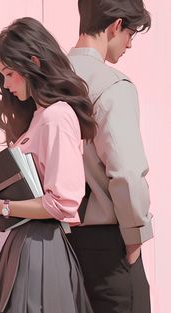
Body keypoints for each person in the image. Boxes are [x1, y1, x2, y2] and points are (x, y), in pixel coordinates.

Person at [0, 17, 97, 313]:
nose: (5, 84)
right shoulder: (39, 118)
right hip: (27, 245)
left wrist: (2, 206)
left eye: (10, 73)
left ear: (34, 62)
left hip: (41, 248)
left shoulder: (56, 117)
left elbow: (64, 202)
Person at [66, 1, 153, 313]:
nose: (129, 43)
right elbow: (127, 173)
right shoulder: (112, 86)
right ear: (116, 25)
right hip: (107, 248)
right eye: (130, 33)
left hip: (56, 245)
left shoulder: (45, 80)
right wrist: (134, 239)